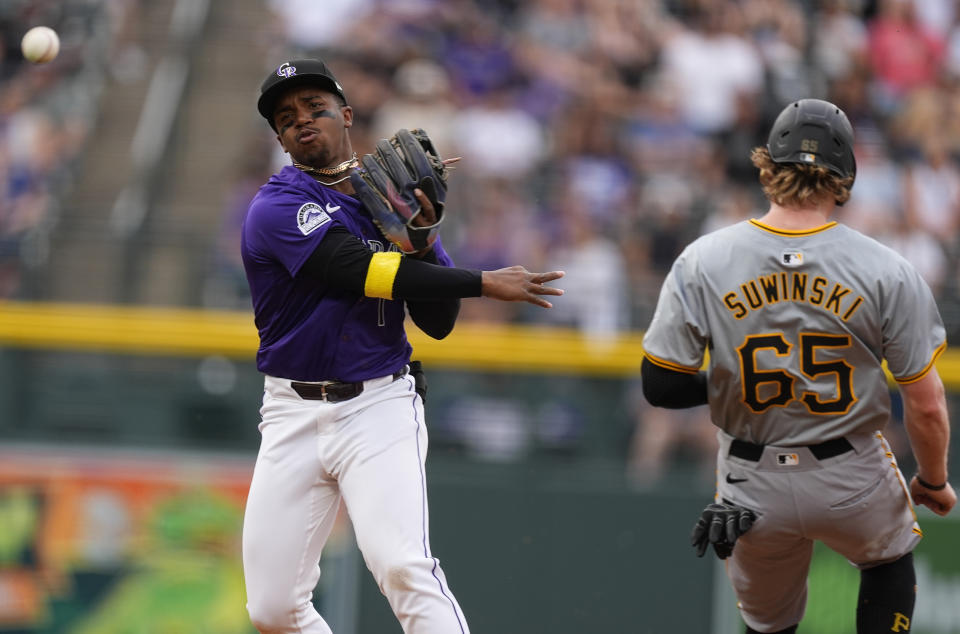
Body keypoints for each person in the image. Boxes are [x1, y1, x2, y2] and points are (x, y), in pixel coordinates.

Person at [239, 58, 564, 634]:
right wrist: (483, 280)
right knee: (272, 609)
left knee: (403, 566)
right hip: (290, 411)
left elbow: (437, 324)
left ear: (346, 114)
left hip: (377, 406)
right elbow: (355, 270)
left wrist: (422, 236)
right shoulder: (276, 206)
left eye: (315, 107)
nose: (302, 121)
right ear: (280, 138)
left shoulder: (386, 199)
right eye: (287, 118)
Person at [640, 98, 955, 634]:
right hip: (851, 472)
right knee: (889, 563)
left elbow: (661, 386)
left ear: (768, 166)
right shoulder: (887, 268)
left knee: (768, 625)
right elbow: (925, 406)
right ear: (845, 176)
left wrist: (736, 384)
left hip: (751, 477)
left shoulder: (704, 258)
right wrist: (933, 479)